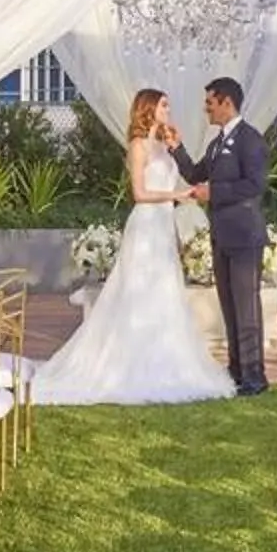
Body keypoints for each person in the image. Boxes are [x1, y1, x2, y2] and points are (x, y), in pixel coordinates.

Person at [30, 89, 237, 405]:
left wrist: (181, 176)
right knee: (138, 292)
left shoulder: (163, 146)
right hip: (145, 226)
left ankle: (165, 358)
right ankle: (124, 363)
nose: (169, 109)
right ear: (149, 109)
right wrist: (176, 196)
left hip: (164, 225)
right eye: (164, 104)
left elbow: (184, 174)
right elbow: (139, 193)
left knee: (165, 291)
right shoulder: (138, 146)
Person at [175, 76, 271, 395]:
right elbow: (194, 174)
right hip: (222, 237)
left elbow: (255, 185)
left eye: (209, 103)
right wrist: (176, 147)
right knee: (229, 307)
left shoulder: (250, 140)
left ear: (226, 102)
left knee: (246, 308)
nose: (206, 109)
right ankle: (237, 370)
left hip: (244, 237)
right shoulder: (217, 143)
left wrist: (214, 191)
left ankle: (255, 377)